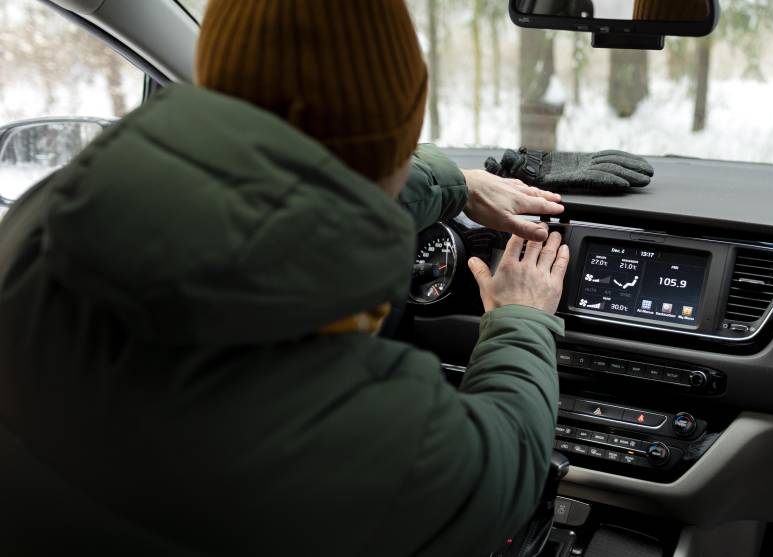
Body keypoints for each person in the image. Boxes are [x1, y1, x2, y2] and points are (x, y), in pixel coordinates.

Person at [0, 1, 573, 554]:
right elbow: (500, 478)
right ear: (395, 144)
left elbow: (295, 187)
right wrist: (519, 321)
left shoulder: (43, 217)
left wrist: (453, 184)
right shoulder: (342, 422)